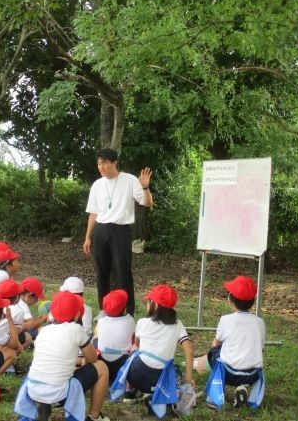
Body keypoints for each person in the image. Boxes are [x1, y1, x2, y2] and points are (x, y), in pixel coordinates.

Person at [18, 290, 111, 421]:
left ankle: (44, 409)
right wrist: (82, 360)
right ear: (78, 315)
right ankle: (94, 416)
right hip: (59, 395)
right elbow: (92, 359)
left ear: (51, 314)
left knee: (50, 373)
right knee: (101, 367)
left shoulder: (43, 330)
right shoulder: (76, 329)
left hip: (33, 390)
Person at [83, 148, 153, 315]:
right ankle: (104, 309)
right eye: (99, 164)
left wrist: (145, 187)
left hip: (120, 230)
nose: (101, 167)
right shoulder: (97, 185)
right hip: (101, 230)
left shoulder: (129, 180)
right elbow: (93, 213)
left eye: (105, 163)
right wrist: (88, 237)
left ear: (114, 162)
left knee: (123, 271)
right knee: (102, 272)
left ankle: (128, 311)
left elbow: (147, 203)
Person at [122, 285, 194, 405]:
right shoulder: (178, 324)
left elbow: (136, 346)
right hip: (162, 379)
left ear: (154, 304)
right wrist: (188, 379)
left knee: (134, 351)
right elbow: (189, 352)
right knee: (176, 372)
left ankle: (130, 391)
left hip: (137, 377)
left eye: (148, 301)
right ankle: (160, 395)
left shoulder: (142, 322)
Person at [203, 275, 266, 409]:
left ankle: (218, 388)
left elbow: (217, 343)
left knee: (214, 351)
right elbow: (260, 348)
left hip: (229, 374)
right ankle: (242, 387)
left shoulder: (226, 319)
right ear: (253, 301)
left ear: (230, 300)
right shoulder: (260, 322)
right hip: (252, 375)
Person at [95, 289, 135, 382]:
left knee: (96, 338)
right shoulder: (130, 321)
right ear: (124, 309)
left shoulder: (101, 321)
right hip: (122, 365)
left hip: (103, 364)